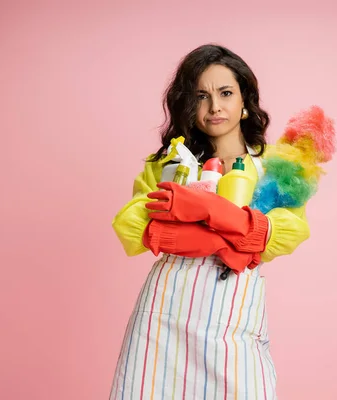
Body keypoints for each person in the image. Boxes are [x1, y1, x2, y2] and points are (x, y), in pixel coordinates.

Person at [108, 44, 311, 400]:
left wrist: (202, 217)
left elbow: (288, 232)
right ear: (189, 105)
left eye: (226, 93)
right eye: (201, 96)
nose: (215, 106)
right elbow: (133, 226)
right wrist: (231, 231)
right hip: (165, 314)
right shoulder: (171, 163)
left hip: (233, 317)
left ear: (245, 101)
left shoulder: (274, 171)